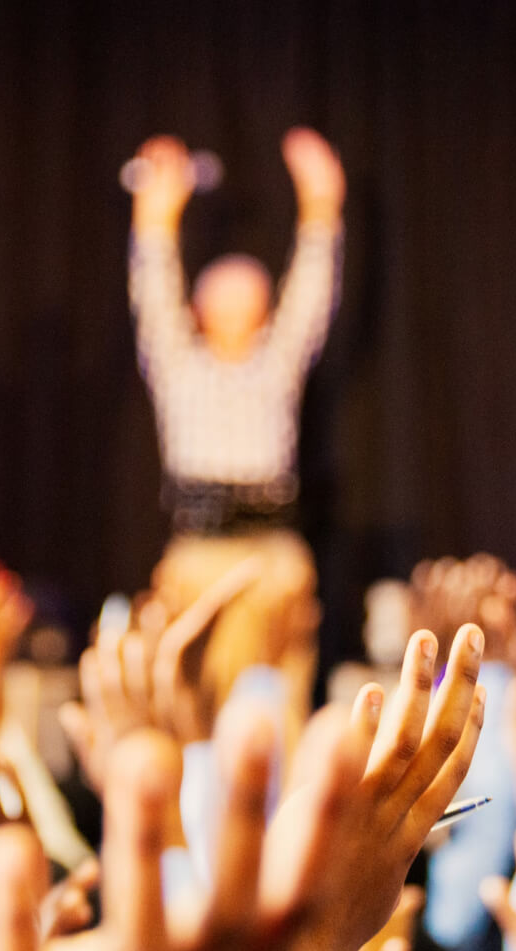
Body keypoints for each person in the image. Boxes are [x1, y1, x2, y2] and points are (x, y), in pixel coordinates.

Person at [126, 126, 346, 740]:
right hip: (199, 553)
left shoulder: (275, 365)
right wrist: (155, 214)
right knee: (196, 705)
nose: (235, 301)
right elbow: (153, 291)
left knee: (275, 710)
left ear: (265, 308)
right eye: (220, 294)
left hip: (271, 553)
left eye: (250, 292)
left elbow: (311, 295)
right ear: (199, 310)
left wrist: (322, 204)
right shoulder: (179, 365)